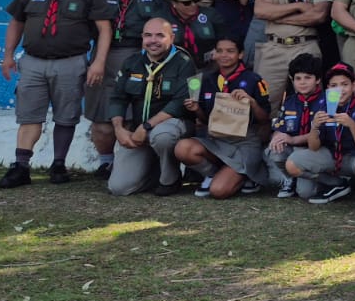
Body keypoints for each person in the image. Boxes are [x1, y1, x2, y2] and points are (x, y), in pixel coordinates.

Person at [0, 0, 112, 188]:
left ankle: (59, 164)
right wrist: (8, 55)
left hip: (70, 62)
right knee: (29, 116)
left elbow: (104, 29)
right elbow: (17, 22)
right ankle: (21, 166)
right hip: (33, 62)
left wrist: (98, 62)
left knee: (66, 117)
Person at [89, 0, 166, 180]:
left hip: (139, 53)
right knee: (102, 117)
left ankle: (134, 167)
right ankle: (106, 163)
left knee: (135, 114)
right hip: (106, 53)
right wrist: (97, 61)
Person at [105, 17, 198, 196]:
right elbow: (118, 98)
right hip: (139, 130)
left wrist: (147, 126)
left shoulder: (184, 62)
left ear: (171, 38)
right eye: (148, 35)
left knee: (163, 135)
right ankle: (153, 173)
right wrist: (119, 129)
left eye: (160, 35)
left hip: (172, 126)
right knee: (119, 188)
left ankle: (169, 180)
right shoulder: (132, 62)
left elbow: (180, 103)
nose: (153, 40)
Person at [174, 37, 271, 198]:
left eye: (230, 51)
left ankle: (247, 175)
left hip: (244, 143)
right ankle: (212, 174)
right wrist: (197, 109)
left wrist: (252, 103)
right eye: (219, 51)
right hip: (216, 140)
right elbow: (205, 121)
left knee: (218, 191)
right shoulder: (206, 79)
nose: (224, 55)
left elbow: (264, 120)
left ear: (240, 54)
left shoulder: (253, 79)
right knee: (183, 148)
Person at [282, 62, 355, 204]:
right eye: (334, 85)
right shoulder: (323, 106)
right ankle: (337, 183)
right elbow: (314, 147)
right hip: (331, 155)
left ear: (354, 86)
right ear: (328, 88)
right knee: (297, 175)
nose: (340, 89)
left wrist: (351, 124)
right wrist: (315, 126)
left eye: (345, 84)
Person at [265, 54, 325, 199]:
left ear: (318, 79)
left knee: (306, 193)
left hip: (316, 150)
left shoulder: (326, 102)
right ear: (292, 80)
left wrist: (292, 140)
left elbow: (323, 133)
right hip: (295, 150)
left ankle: (328, 181)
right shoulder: (290, 101)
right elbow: (280, 126)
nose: (302, 82)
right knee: (275, 150)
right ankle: (290, 179)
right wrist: (277, 137)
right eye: (298, 78)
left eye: (307, 77)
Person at [164, 0, 226, 67]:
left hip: (208, 67)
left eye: (195, 0)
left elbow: (225, 38)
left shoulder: (211, 15)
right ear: (174, 3)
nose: (193, 4)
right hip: (174, 68)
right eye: (187, 2)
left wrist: (219, 51)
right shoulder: (162, 19)